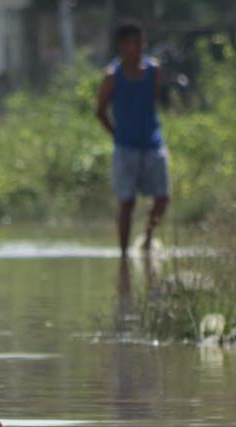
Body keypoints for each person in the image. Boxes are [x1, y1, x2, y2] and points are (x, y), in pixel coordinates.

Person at [96, 21, 171, 255]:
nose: (138, 48)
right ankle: (123, 254)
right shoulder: (112, 76)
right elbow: (100, 110)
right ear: (123, 46)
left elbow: (155, 102)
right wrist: (117, 134)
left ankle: (148, 238)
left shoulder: (153, 70)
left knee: (162, 197)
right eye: (133, 44)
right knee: (127, 202)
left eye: (141, 43)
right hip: (125, 147)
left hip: (152, 143)